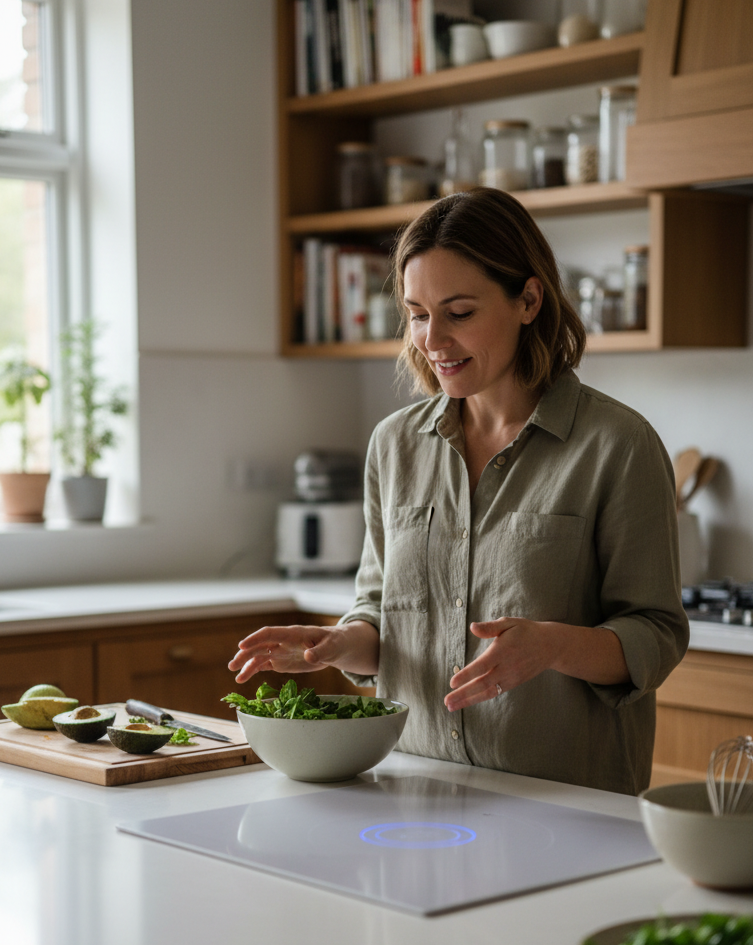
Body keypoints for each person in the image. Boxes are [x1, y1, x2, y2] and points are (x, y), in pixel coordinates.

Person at [229, 188, 688, 794]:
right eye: (418, 314)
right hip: (416, 791)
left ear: (529, 300)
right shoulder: (395, 445)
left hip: (566, 803)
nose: (431, 340)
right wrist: (338, 644)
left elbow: (656, 634)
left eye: (459, 313)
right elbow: (380, 614)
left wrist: (552, 647)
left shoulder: (618, 445)